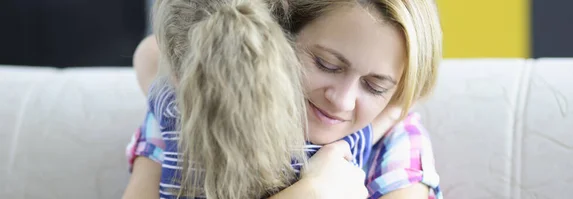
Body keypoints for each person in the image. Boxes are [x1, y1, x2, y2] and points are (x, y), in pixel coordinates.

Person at [122, 0, 443, 198]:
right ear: (278, 37)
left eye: (374, 87)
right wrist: (313, 192)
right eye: (327, 64)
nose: (342, 101)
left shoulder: (395, 139)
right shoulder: (190, 110)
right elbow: (153, 54)